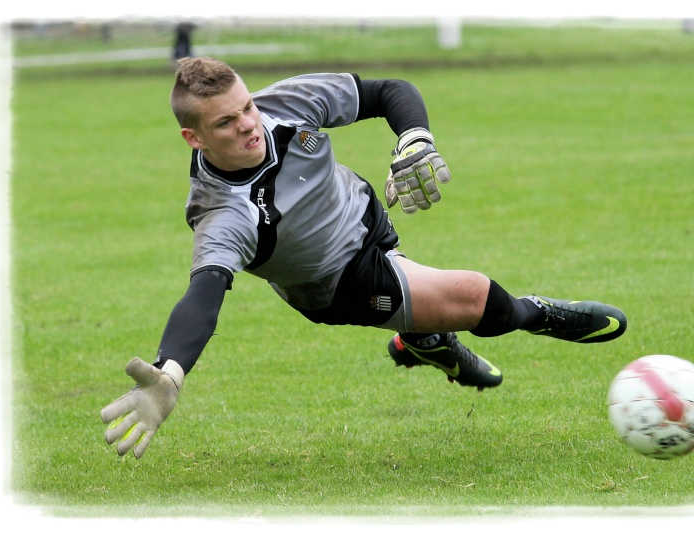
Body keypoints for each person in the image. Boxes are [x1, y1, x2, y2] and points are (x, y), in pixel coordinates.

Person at [100, 57, 628, 459]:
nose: (247, 125)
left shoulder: (280, 105)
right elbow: (203, 297)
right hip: (338, 281)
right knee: (474, 296)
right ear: (193, 137)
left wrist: (414, 136)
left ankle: (422, 340)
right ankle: (534, 314)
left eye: (247, 108)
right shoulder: (223, 215)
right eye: (226, 124)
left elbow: (387, 91)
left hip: (366, 213)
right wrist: (170, 373)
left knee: (423, 302)